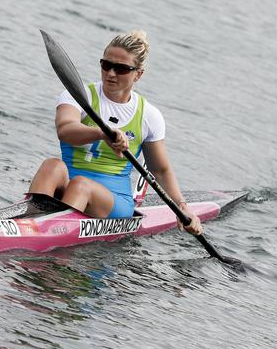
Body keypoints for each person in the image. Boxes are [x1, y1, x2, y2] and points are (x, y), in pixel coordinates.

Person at [29, 30, 202, 235]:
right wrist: (102, 134)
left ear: (138, 74)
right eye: (106, 65)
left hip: (113, 201)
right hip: (70, 185)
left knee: (81, 185)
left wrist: (182, 207)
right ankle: (25, 222)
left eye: (121, 69)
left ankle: (47, 235)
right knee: (52, 166)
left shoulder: (149, 115)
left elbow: (161, 170)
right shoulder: (77, 95)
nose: (111, 73)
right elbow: (65, 129)